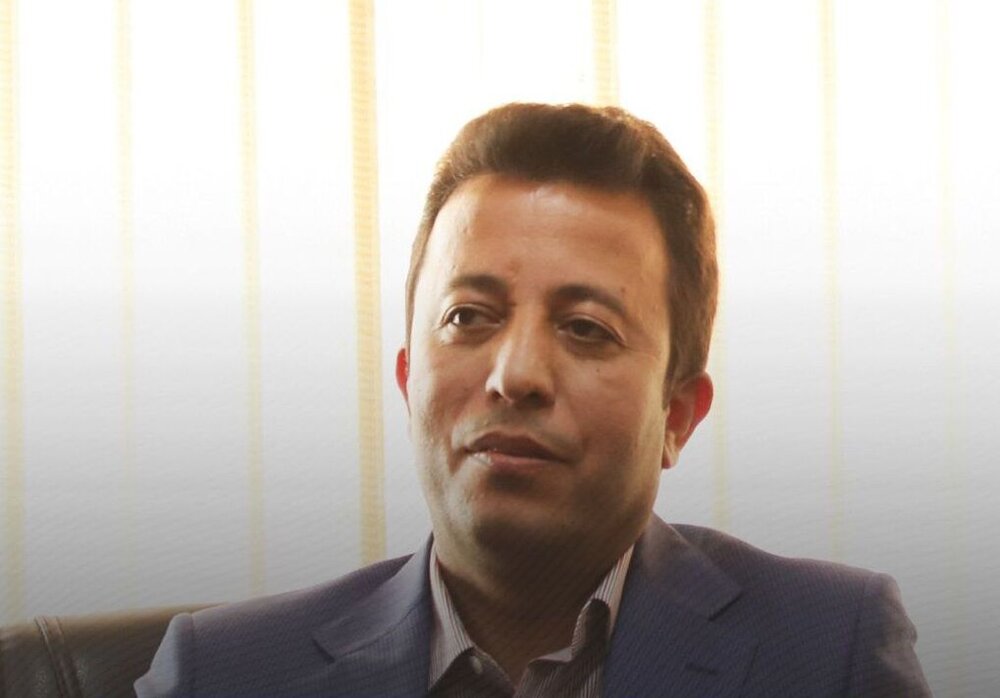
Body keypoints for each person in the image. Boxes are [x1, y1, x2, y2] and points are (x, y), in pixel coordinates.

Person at [136, 103, 930, 697]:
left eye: (586, 329)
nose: (515, 375)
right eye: (468, 317)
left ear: (679, 416)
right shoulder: (222, 675)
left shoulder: (829, 651)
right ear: (408, 381)